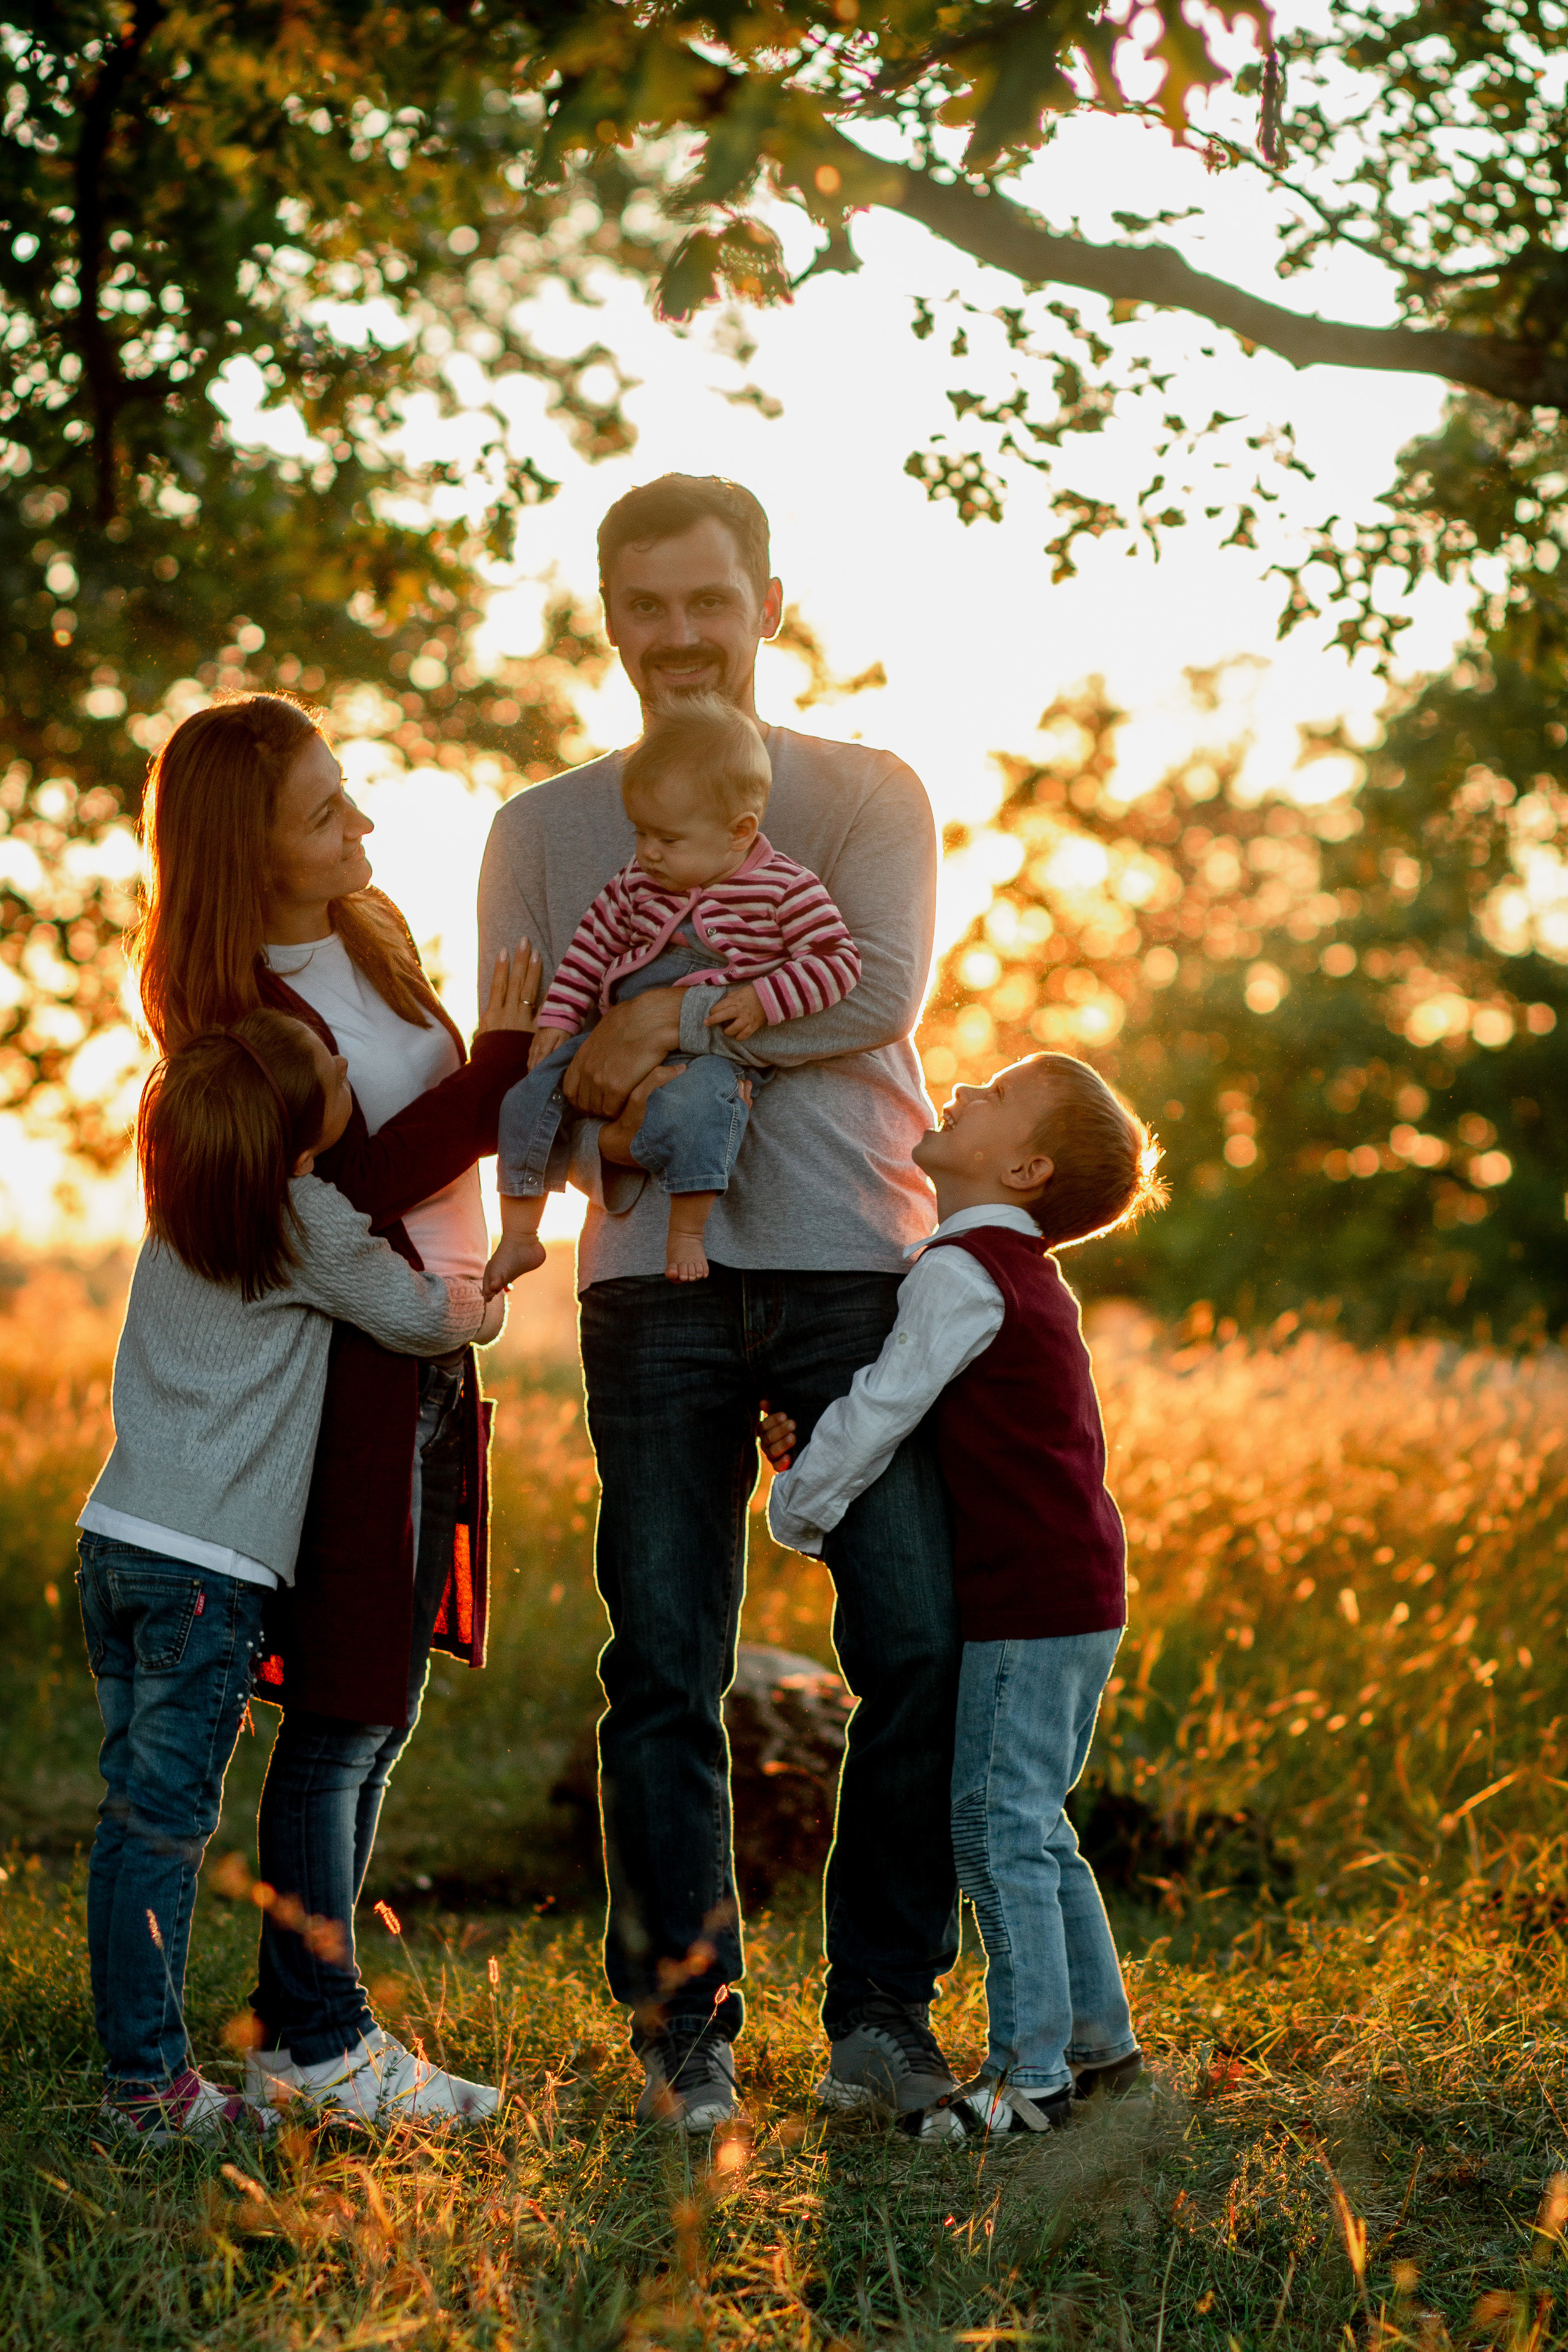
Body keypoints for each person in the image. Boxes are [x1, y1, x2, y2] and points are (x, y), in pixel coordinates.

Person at [478, 473, 964, 2134]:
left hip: (851, 1266)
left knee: (913, 1640)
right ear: (610, 617)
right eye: (649, 605)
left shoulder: (864, 792)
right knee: (664, 1662)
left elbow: (880, 996)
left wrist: (661, 1032)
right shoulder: (540, 829)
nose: (681, 636)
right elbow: (528, 1052)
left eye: (711, 600)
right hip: (650, 1283)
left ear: (770, 602)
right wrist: (580, 1079)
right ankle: (685, 2034)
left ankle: (884, 2021)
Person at [130, 692, 540, 2125]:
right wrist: (497, 1066)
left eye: (349, 792)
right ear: (247, 847)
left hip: (428, 1352)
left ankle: (306, 2028)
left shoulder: (368, 939)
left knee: (381, 1700)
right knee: (347, 1708)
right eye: (323, 812)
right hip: (346, 1372)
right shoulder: (236, 1016)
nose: (362, 825)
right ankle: (315, 2037)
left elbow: (419, 1163)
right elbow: (323, 1200)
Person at [77, 1011, 486, 2141]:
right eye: (329, 1069)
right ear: (296, 1135)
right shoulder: (302, 1216)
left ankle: (140, 2071)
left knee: (136, 1819)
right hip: (208, 1570)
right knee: (166, 1827)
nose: (346, 1064)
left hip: (118, 1542)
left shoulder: (187, 1210)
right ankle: (149, 2093)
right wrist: (490, 1294)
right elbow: (414, 1315)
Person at [766, 1053, 1166, 2134]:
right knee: (1039, 1828)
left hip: (1028, 1599)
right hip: (1077, 1589)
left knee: (995, 1830)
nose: (962, 1091)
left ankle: (1028, 2080)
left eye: (996, 1097)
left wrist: (798, 1499)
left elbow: (886, 1405)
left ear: (1027, 1165)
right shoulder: (1013, 1270)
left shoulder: (961, 1271)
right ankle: (1103, 2052)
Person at [485, 693, 861, 1288]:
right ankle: (521, 1235)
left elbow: (837, 961)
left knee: (706, 1107)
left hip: (712, 1048)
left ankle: (686, 1232)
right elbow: (588, 951)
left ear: (739, 832)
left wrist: (764, 999)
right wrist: (559, 1020)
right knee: (528, 1094)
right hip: (617, 1032)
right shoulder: (636, 884)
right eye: (640, 834)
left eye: (668, 839)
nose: (647, 852)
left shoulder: (786, 887)